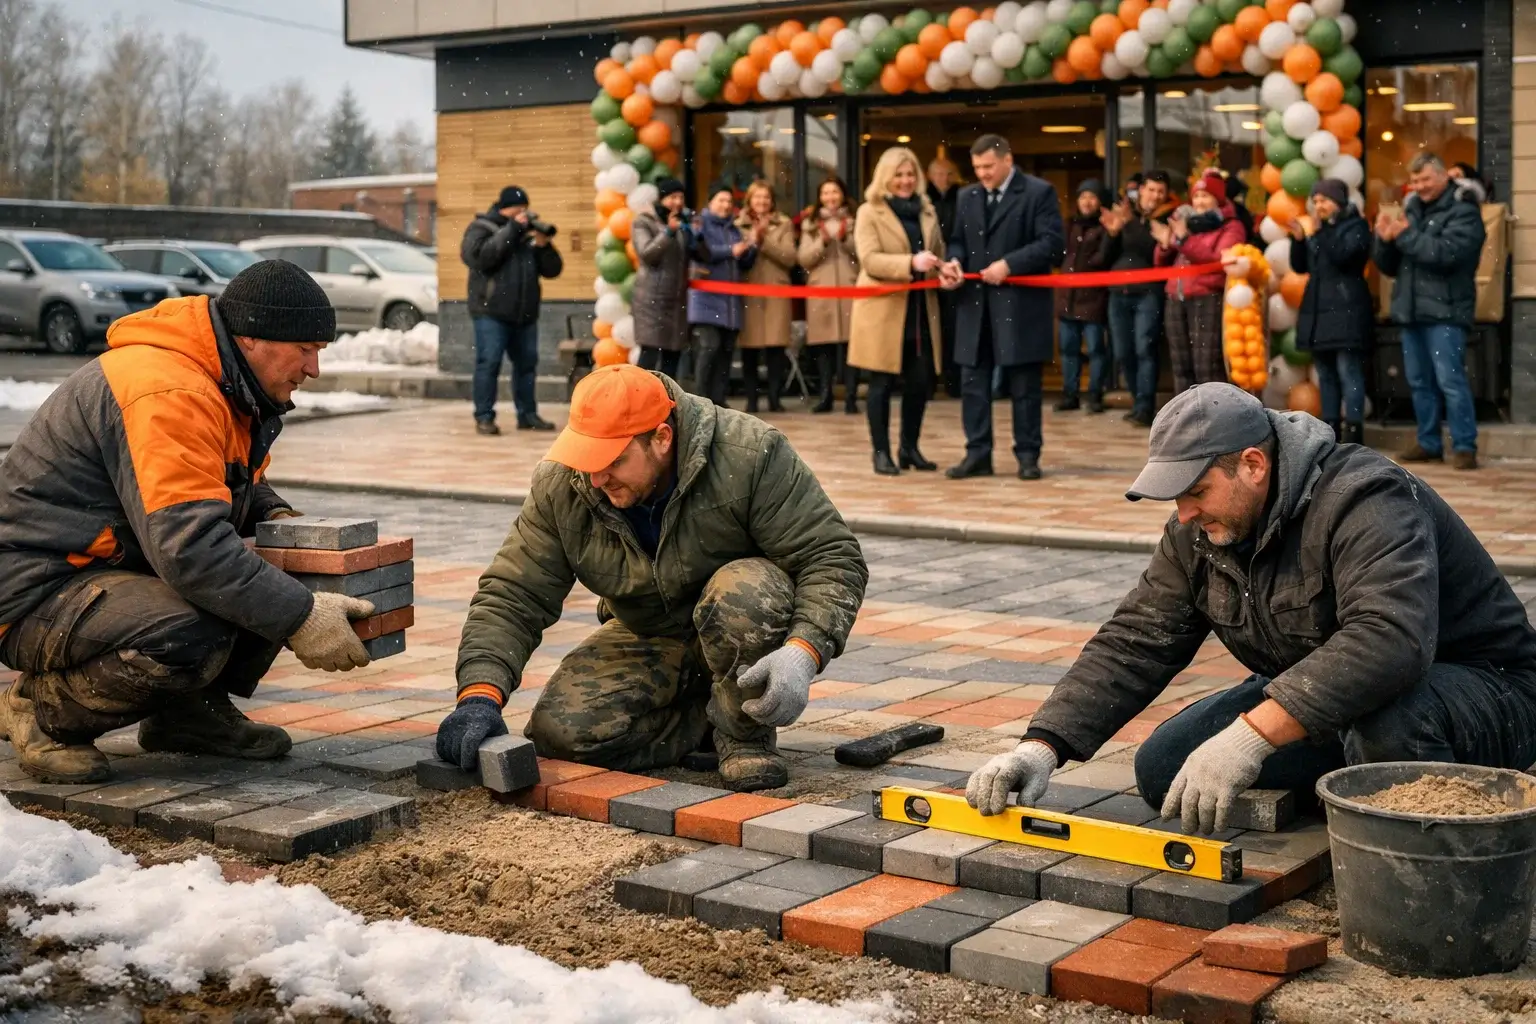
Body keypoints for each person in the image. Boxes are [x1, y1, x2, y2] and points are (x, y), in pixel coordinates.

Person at [966, 382, 1536, 834]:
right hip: (1332, 695)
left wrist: (1252, 736)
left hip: (1486, 692)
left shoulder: (1366, 497)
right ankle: (1351, 780)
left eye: (1196, 492)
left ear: (1253, 465)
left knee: (1387, 719)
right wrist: (1042, 746)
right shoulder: (1198, 531)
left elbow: (1390, 641)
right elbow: (1136, 639)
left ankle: (1412, 840)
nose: (1184, 514)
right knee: (1166, 769)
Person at [0, 262, 378, 783]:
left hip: (107, 567)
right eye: (306, 349)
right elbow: (189, 548)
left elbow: (214, 484)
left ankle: (185, 716)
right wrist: (300, 616)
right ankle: (41, 709)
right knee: (194, 629)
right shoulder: (168, 391)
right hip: (37, 585)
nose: (313, 368)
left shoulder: (220, 380)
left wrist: (278, 521)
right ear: (250, 339)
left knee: (271, 569)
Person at [437, 363, 868, 792]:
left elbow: (831, 556)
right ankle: (704, 718)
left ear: (662, 438)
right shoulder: (564, 484)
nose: (596, 478)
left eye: (613, 461)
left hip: (739, 623)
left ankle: (743, 735)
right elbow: (514, 592)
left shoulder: (752, 454)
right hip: (649, 629)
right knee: (562, 735)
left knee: (745, 588)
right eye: (587, 459)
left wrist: (803, 651)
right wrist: (479, 696)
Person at [944, 134, 1065, 482]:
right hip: (974, 306)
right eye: (977, 168)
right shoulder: (967, 196)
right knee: (972, 384)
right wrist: (953, 261)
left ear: (1007, 160)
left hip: (1019, 305)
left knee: (1024, 386)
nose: (982, 174)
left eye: (988, 167)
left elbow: (1052, 244)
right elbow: (957, 239)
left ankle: (1028, 455)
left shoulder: (1038, 192)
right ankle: (977, 453)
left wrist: (1009, 265)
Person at [1372, 153, 1486, 471]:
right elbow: (1390, 266)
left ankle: (1465, 446)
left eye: (1426, 179)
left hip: (1446, 312)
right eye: (1415, 180)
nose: (1419, 186)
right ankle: (1429, 442)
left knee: (1450, 380)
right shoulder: (1411, 210)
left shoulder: (1465, 211)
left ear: (1443, 177)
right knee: (1420, 382)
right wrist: (1383, 241)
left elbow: (1446, 254)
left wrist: (1403, 235)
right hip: (1411, 311)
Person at [848, 146, 950, 477]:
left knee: (920, 382)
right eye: (899, 175)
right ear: (885, 177)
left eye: (910, 174)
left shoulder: (927, 210)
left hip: (920, 311)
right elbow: (870, 259)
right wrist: (910, 263)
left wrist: (945, 270)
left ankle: (910, 448)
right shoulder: (868, 211)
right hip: (883, 311)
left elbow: (936, 255)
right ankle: (880, 452)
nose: (906, 181)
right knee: (880, 383)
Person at [461, 185, 563, 435]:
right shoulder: (481, 228)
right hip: (491, 312)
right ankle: (484, 416)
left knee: (527, 365)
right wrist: (513, 229)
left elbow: (552, 270)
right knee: (489, 363)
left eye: (526, 210)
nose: (524, 215)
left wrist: (543, 246)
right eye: (520, 209)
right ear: (505, 208)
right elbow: (480, 257)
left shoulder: (527, 236)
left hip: (525, 315)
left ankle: (527, 415)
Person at [1290, 178, 1373, 445]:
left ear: (1338, 201)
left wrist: (1320, 234)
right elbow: (1301, 267)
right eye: (1315, 201)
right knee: (1325, 374)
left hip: (1346, 310)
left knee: (1349, 371)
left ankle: (1354, 429)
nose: (1319, 206)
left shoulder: (1356, 226)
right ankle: (1331, 428)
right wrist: (1300, 241)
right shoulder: (1322, 230)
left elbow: (1344, 256)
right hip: (1319, 311)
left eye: (1324, 200)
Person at [1155, 172, 1246, 394]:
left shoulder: (1231, 226)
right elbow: (1160, 263)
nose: (1199, 202)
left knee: (1206, 366)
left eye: (1205, 196)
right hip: (1177, 296)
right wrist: (1165, 245)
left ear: (1218, 199)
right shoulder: (1186, 222)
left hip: (1207, 297)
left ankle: (1213, 420)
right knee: (1181, 366)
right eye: (1196, 196)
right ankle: (1183, 420)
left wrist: (1185, 239)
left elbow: (1218, 260)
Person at [1103, 170, 1173, 428]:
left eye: (1160, 192)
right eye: (1151, 189)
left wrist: (1130, 223)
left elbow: (1148, 249)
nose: (1155, 196)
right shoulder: (1123, 214)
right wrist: (1112, 233)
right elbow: (1104, 258)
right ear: (1141, 190)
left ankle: (1145, 407)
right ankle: (1136, 401)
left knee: (1145, 347)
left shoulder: (1166, 217)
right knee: (1123, 352)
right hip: (1118, 293)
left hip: (1148, 294)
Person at [687, 182, 754, 409]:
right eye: (721, 200)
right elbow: (700, 252)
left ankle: (719, 400)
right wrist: (729, 251)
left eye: (729, 201)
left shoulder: (734, 230)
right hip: (706, 300)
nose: (726, 205)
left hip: (730, 303)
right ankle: (700, 399)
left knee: (726, 351)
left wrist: (751, 246)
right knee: (709, 346)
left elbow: (744, 262)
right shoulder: (700, 224)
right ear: (711, 202)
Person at [798, 176, 860, 415]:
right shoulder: (810, 223)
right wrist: (821, 242)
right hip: (821, 291)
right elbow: (803, 258)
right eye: (825, 193)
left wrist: (845, 238)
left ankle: (852, 396)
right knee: (824, 349)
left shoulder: (856, 220)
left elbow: (863, 254)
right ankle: (825, 396)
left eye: (835, 192)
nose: (830, 197)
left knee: (852, 346)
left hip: (850, 289)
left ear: (843, 194)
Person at [736, 181, 797, 415]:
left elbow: (790, 257)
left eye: (766, 197)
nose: (761, 202)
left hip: (775, 292)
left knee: (775, 348)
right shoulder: (737, 224)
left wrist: (764, 241)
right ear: (749, 200)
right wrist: (750, 240)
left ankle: (774, 398)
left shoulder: (784, 224)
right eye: (757, 197)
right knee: (749, 349)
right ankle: (752, 400)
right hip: (749, 291)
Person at [1055, 179, 1114, 414]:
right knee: (1068, 350)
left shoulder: (1105, 229)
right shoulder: (1069, 225)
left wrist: (1111, 235)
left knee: (1096, 350)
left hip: (1093, 299)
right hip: (1067, 299)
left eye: (1092, 197)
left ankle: (1094, 395)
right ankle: (1070, 394)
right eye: (1083, 197)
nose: (1087, 202)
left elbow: (1101, 260)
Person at [630, 178, 693, 379]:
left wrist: (696, 234)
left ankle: (666, 406)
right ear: (662, 199)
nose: (677, 202)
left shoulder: (682, 224)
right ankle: (639, 403)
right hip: (652, 302)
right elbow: (648, 254)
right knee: (649, 357)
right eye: (672, 197)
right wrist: (668, 232)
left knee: (672, 357)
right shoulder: (643, 222)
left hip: (676, 302)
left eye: (681, 197)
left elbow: (698, 255)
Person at [927, 157, 964, 397]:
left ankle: (954, 382)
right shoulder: (923, 200)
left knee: (953, 330)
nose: (943, 178)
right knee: (929, 329)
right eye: (938, 173)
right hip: (928, 271)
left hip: (954, 270)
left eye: (948, 173)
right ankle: (928, 383)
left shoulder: (962, 197)